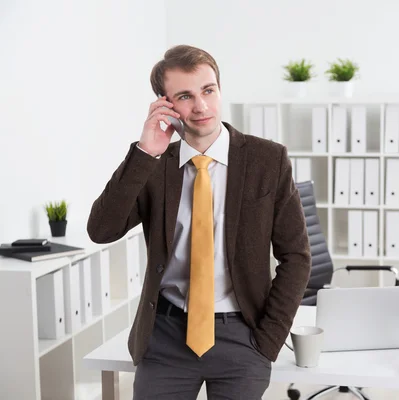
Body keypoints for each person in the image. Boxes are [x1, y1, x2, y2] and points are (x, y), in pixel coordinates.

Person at [87, 44, 311, 399]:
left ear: (219, 90)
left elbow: (296, 257)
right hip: (166, 336)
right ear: (166, 104)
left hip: (244, 336)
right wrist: (145, 153)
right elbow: (101, 230)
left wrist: (269, 339)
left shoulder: (267, 159)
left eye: (208, 90)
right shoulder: (154, 164)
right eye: (185, 96)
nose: (201, 106)